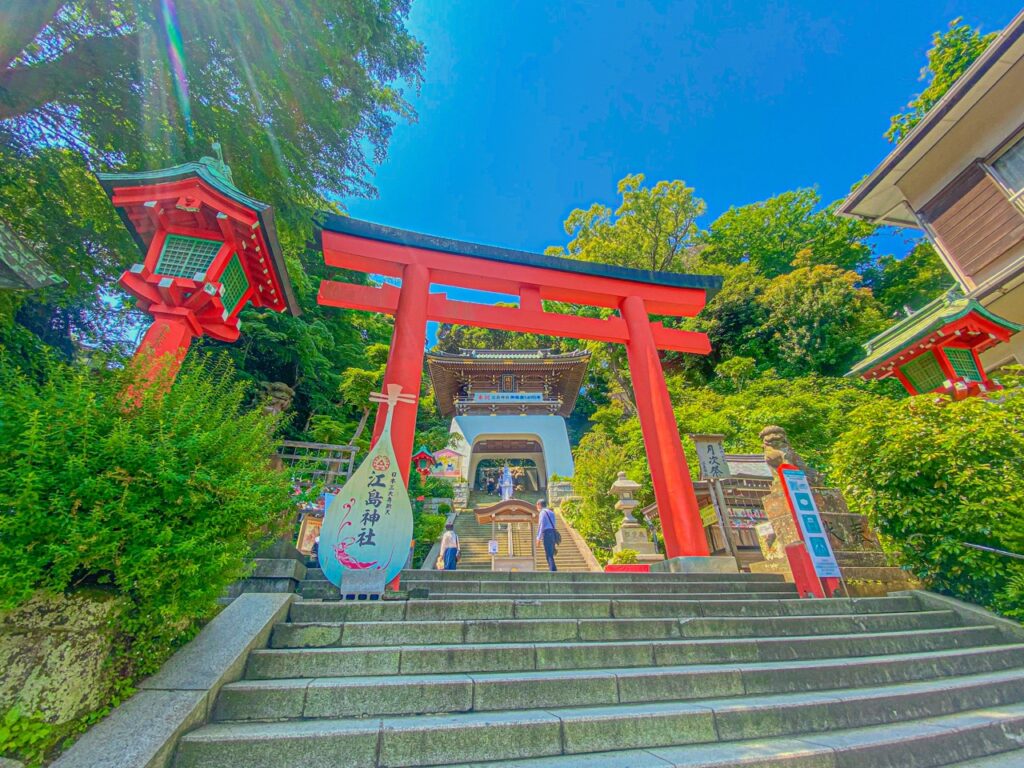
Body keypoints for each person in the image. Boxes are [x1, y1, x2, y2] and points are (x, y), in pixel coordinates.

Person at [536, 499, 558, 572]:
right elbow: (554, 524)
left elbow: (541, 525)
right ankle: (553, 569)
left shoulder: (542, 513)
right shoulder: (551, 512)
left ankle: (553, 571)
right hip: (553, 533)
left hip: (547, 533)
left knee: (548, 554)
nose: (537, 507)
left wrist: (538, 538)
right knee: (550, 553)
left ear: (539, 505)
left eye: (537, 505)